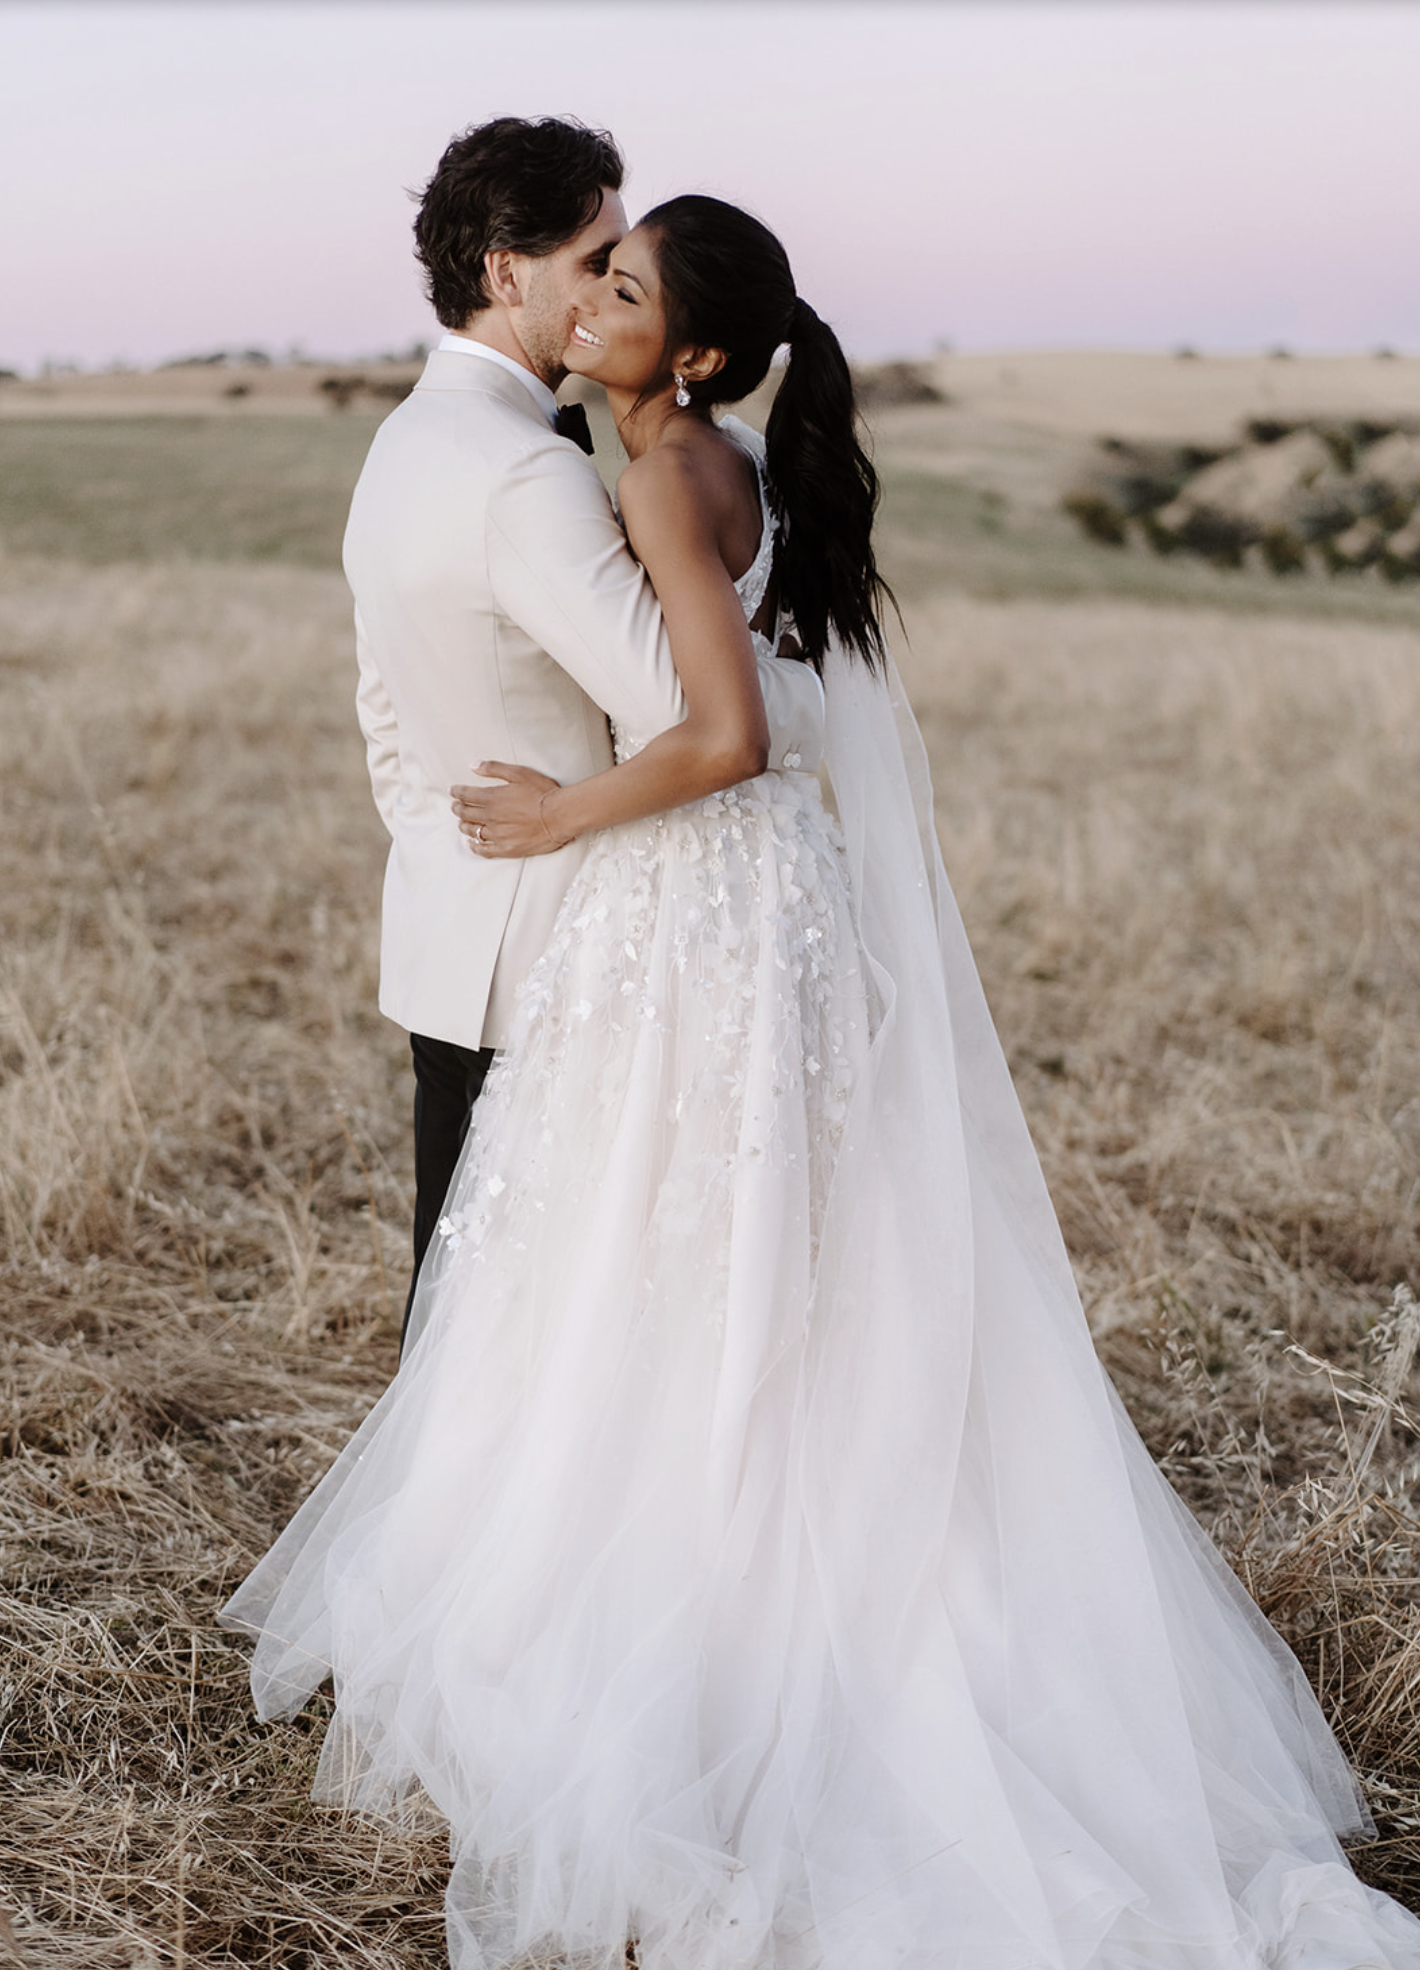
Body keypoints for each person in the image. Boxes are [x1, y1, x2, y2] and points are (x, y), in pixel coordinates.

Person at [222, 195, 1420, 1969]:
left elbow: (725, 734)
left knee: (654, 1257)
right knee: (757, 1252)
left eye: (626, 288)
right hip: (757, 905)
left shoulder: (650, 476)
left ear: (690, 352)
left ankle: (694, 1613)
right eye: (594, 272)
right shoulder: (717, 462)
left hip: (697, 901)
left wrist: (558, 813)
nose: (596, 306)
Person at [344, 117, 823, 1339]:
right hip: (565, 961)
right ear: (506, 273)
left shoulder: (398, 446)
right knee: (542, 1334)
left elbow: (384, 715)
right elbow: (689, 714)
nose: (615, 281)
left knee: (461, 1330)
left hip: (452, 933)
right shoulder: (527, 472)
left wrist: (452, 850)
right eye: (596, 257)